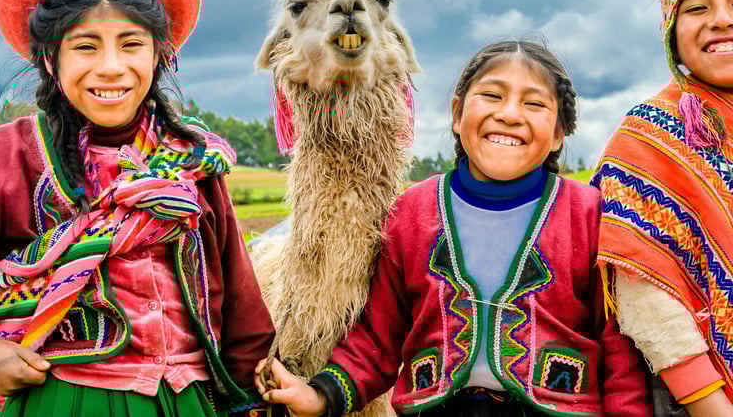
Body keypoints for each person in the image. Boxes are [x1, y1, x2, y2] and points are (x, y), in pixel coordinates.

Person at [0, 0, 277, 417]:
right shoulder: (3, 160)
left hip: (190, 399)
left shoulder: (192, 162)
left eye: (131, 44)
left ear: (159, 55)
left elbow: (240, 304)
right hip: (65, 399)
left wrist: (251, 397)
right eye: (85, 46)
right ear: (50, 58)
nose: (111, 66)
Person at [255, 40, 651, 417]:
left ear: (559, 135)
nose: (510, 114)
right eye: (493, 96)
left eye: (533, 103)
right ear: (458, 114)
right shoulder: (413, 213)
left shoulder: (588, 216)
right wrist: (321, 394)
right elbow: (377, 340)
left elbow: (619, 348)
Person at [594, 0, 733, 416]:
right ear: (673, 35)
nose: (721, 19)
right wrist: (711, 405)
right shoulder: (648, 140)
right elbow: (645, 294)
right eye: (697, 8)